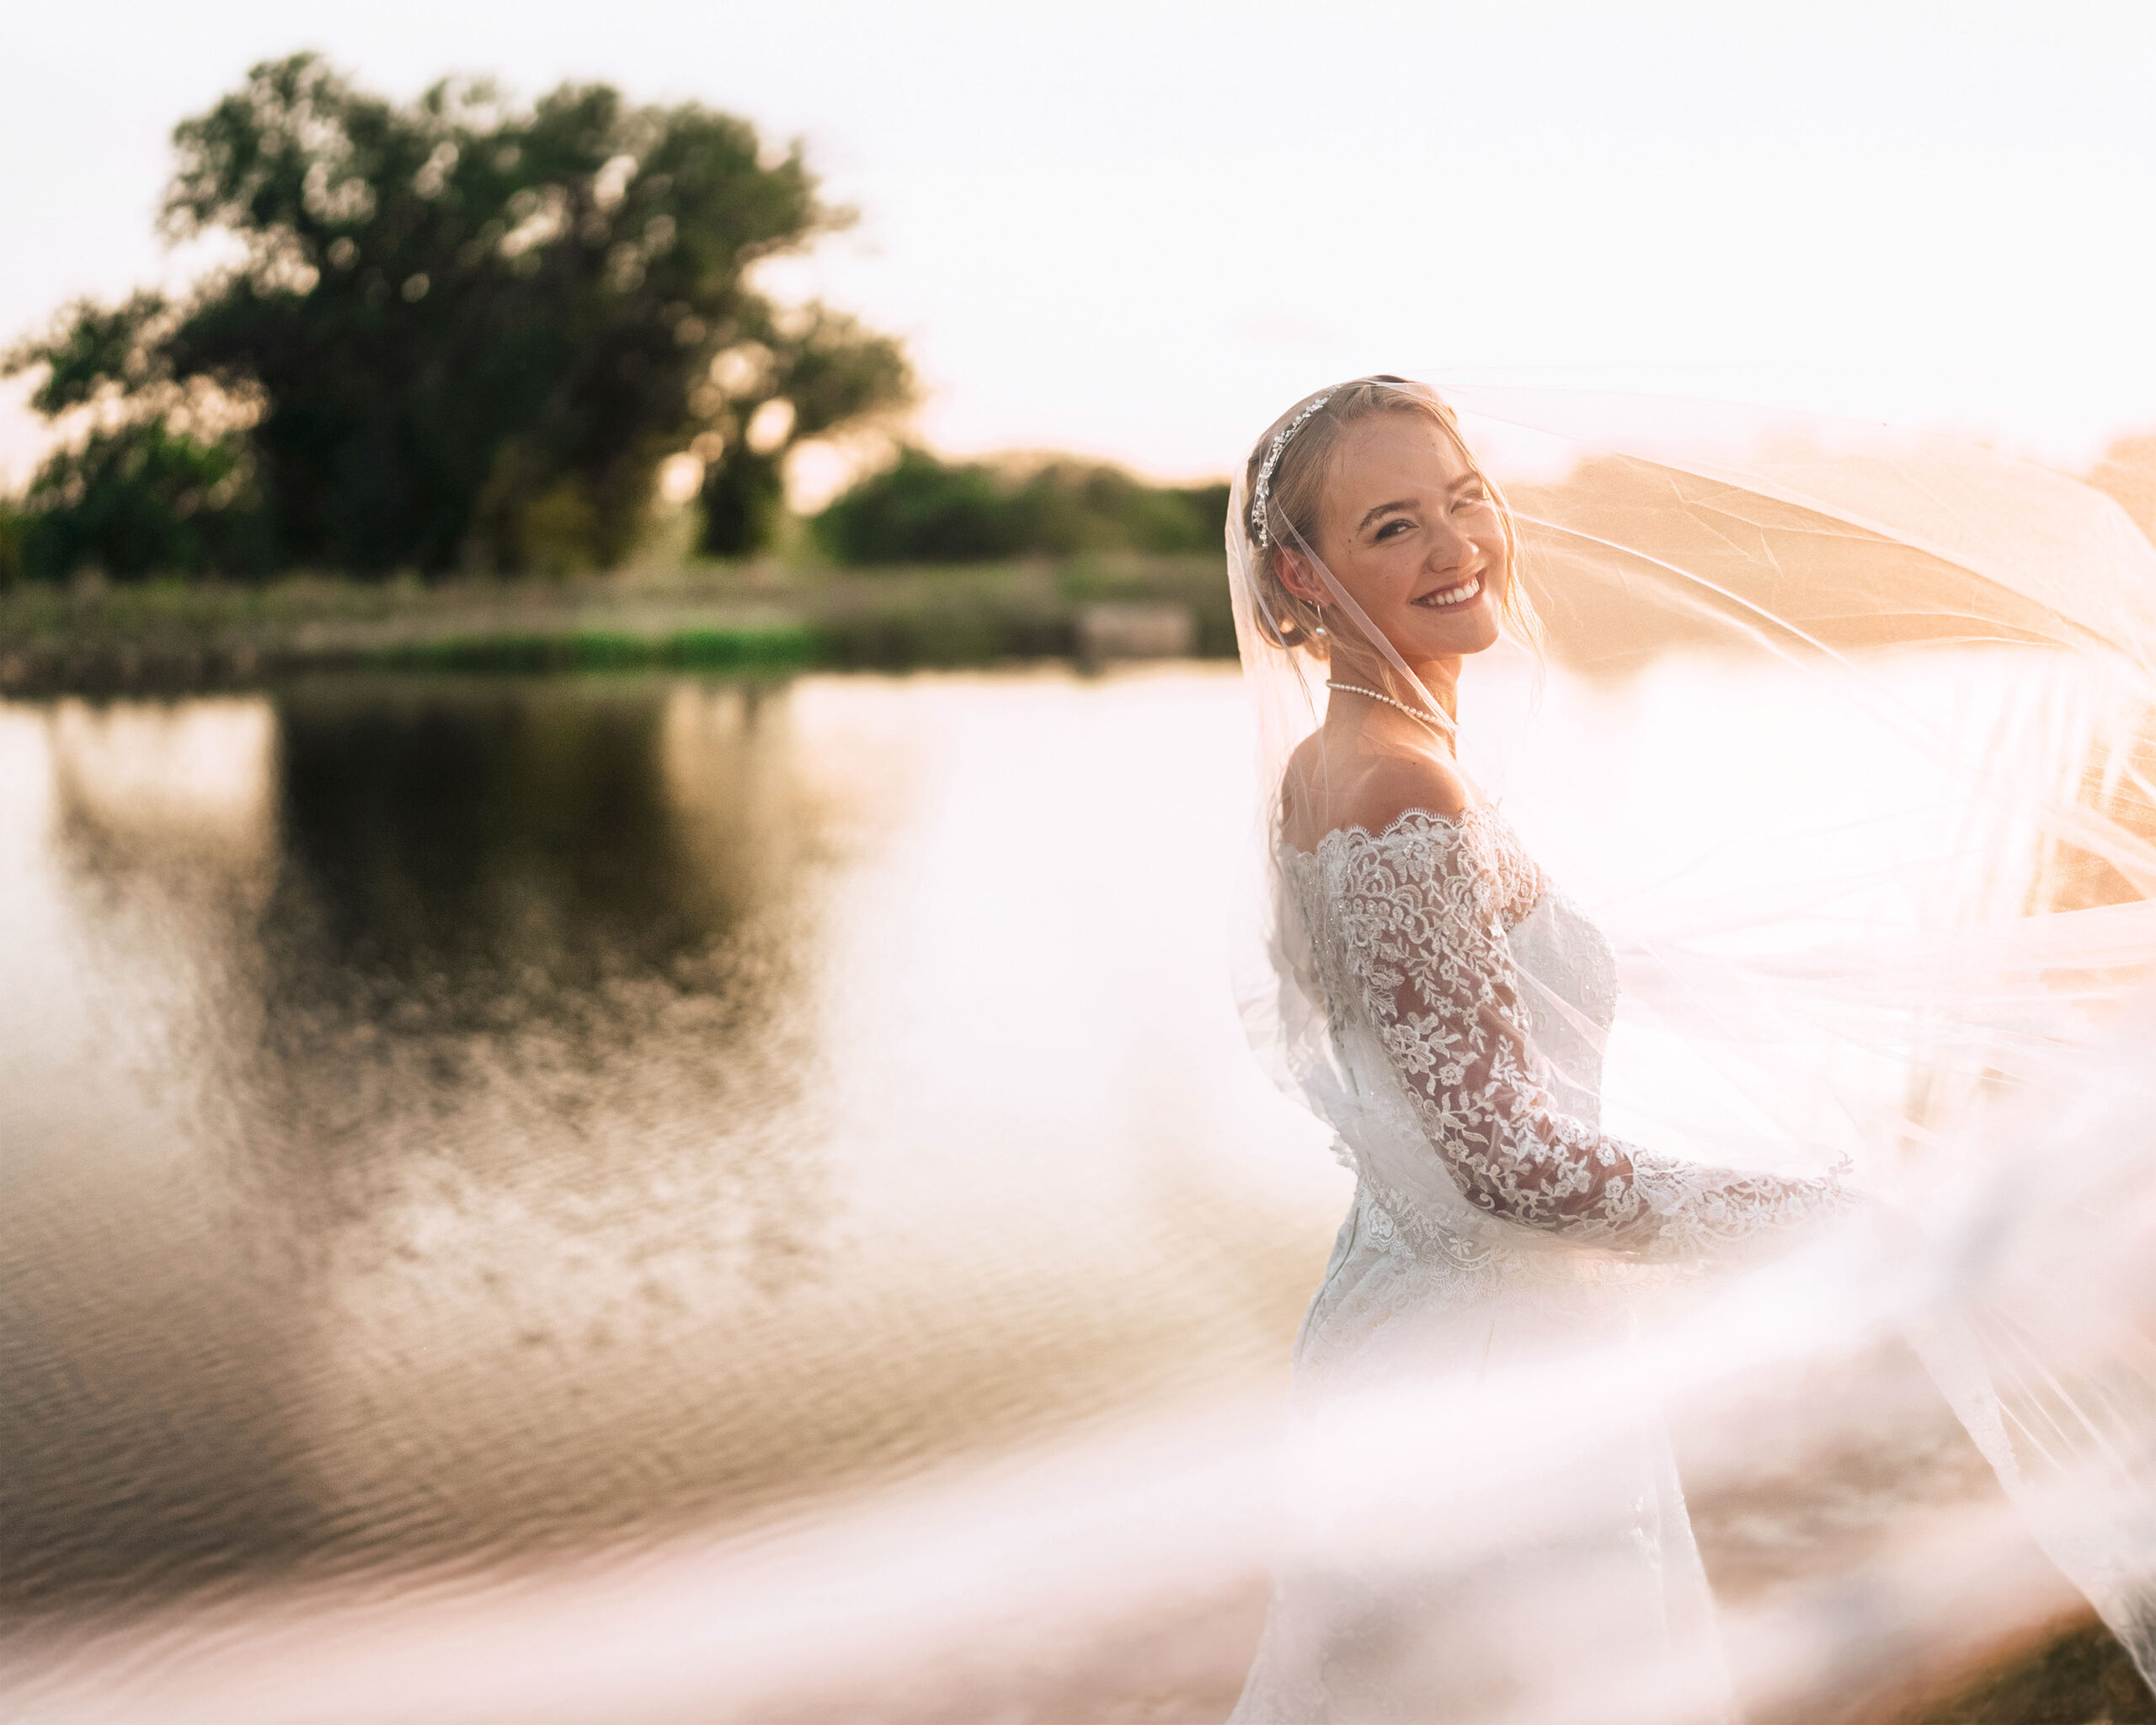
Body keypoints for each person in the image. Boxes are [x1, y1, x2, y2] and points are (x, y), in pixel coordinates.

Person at [1222, 377, 1866, 1724]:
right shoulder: (1404, 782)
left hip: (1428, 1315)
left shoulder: (1346, 758)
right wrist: (1803, 1218)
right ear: (1299, 577)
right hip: (1484, 1372)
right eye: (1394, 526)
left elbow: (1453, 1043)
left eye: (1464, 500)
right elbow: (1507, 1161)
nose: (1459, 547)